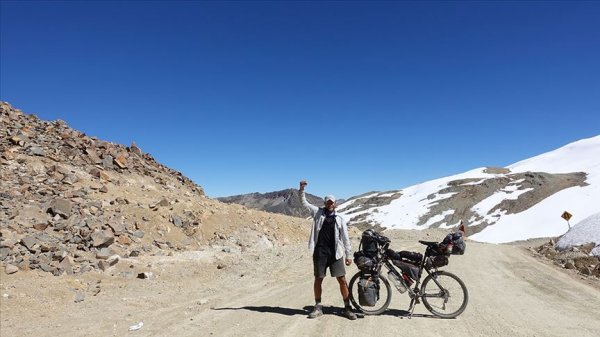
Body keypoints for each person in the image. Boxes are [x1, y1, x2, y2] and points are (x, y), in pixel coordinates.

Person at [298, 180, 356, 320]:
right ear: (325, 203)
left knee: (342, 279)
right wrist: (301, 189)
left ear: (335, 204)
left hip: (336, 253)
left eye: (332, 202)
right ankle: (318, 307)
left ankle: (347, 308)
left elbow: (345, 238)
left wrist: (349, 255)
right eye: (328, 202)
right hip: (320, 253)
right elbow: (303, 202)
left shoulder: (340, 219)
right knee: (318, 279)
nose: (330, 204)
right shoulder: (317, 213)